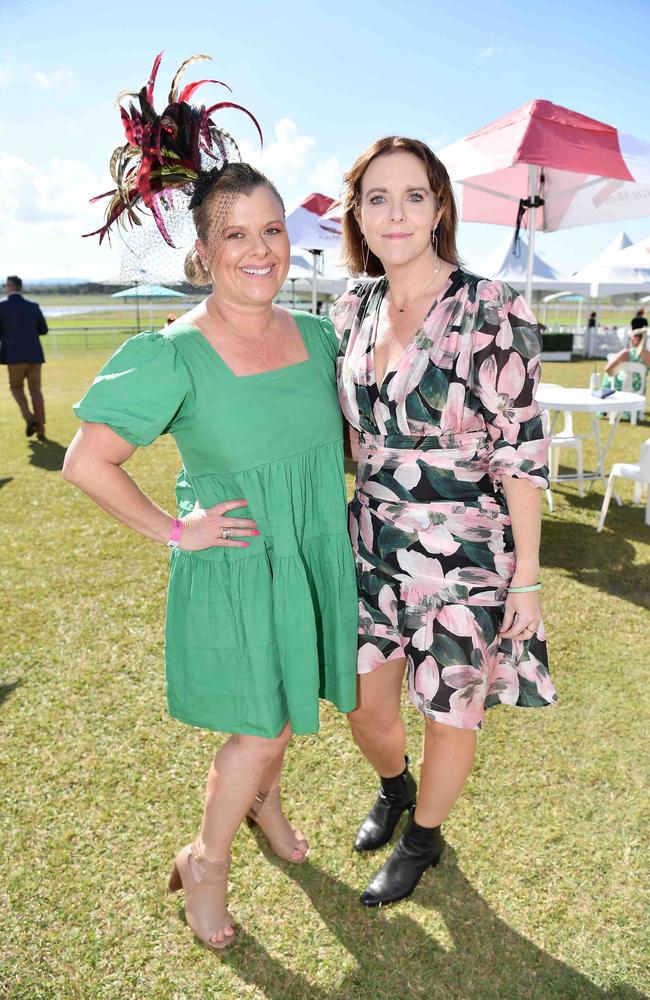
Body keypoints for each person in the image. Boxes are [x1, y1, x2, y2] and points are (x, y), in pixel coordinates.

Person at [63, 54, 357, 952]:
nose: (261, 249)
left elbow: (334, 444)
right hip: (232, 564)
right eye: (236, 235)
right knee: (259, 730)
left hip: (309, 554)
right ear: (203, 250)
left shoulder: (315, 334)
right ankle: (205, 860)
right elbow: (86, 460)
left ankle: (270, 811)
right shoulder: (171, 353)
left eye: (272, 229)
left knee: (286, 706)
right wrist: (173, 530)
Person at [331, 136, 557, 909]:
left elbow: (523, 454)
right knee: (364, 702)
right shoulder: (349, 308)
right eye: (378, 198)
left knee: (449, 709)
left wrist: (525, 581)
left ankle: (423, 838)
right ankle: (395, 789)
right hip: (372, 545)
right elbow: (352, 436)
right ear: (358, 214)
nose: (396, 213)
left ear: (439, 209)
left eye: (414, 195)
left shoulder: (492, 307)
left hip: (465, 553)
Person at [0, 275, 48, 439]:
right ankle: (41, 429)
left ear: (9, 286)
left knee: (15, 388)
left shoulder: (2, 307)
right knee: (36, 391)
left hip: (14, 356)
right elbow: (43, 330)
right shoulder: (33, 306)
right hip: (35, 355)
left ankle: (30, 418)